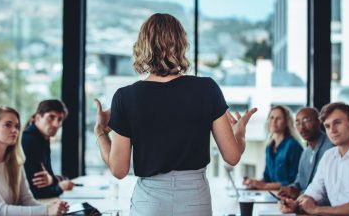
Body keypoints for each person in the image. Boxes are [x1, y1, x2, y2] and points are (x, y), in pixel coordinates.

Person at [94, 13, 257, 216]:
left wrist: (100, 132)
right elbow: (232, 157)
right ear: (181, 44)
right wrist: (239, 131)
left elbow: (118, 170)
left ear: (143, 46)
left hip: (149, 202)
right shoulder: (207, 88)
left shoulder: (125, 97)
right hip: (194, 199)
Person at [0, 106, 68, 215]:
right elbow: (0, 210)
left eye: (17, 126)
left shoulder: (14, 163)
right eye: (8, 125)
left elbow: (27, 200)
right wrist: (46, 211)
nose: (14, 130)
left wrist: (51, 208)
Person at [279, 102, 349, 215]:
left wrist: (316, 210)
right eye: (327, 126)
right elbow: (313, 192)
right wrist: (297, 204)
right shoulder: (329, 156)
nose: (332, 130)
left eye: (337, 123)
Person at [22, 100, 74, 199]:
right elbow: (37, 191)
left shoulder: (43, 138)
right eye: (51, 117)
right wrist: (60, 186)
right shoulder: (29, 140)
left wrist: (53, 180)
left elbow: (49, 176)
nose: (56, 124)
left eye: (60, 119)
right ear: (38, 117)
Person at [278, 107, 334, 199]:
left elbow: (325, 188)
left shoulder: (331, 148)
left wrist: (299, 194)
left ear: (319, 121)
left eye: (306, 120)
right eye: (298, 122)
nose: (302, 127)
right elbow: (299, 181)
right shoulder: (306, 152)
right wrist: (291, 188)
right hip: (304, 203)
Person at [244, 105, 303, 190]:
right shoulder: (269, 147)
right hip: (271, 194)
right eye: (271, 117)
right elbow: (267, 178)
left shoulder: (293, 146)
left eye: (278, 118)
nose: (274, 121)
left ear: (286, 122)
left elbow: (293, 181)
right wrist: (254, 183)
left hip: (287, 197)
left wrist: (264, 186)